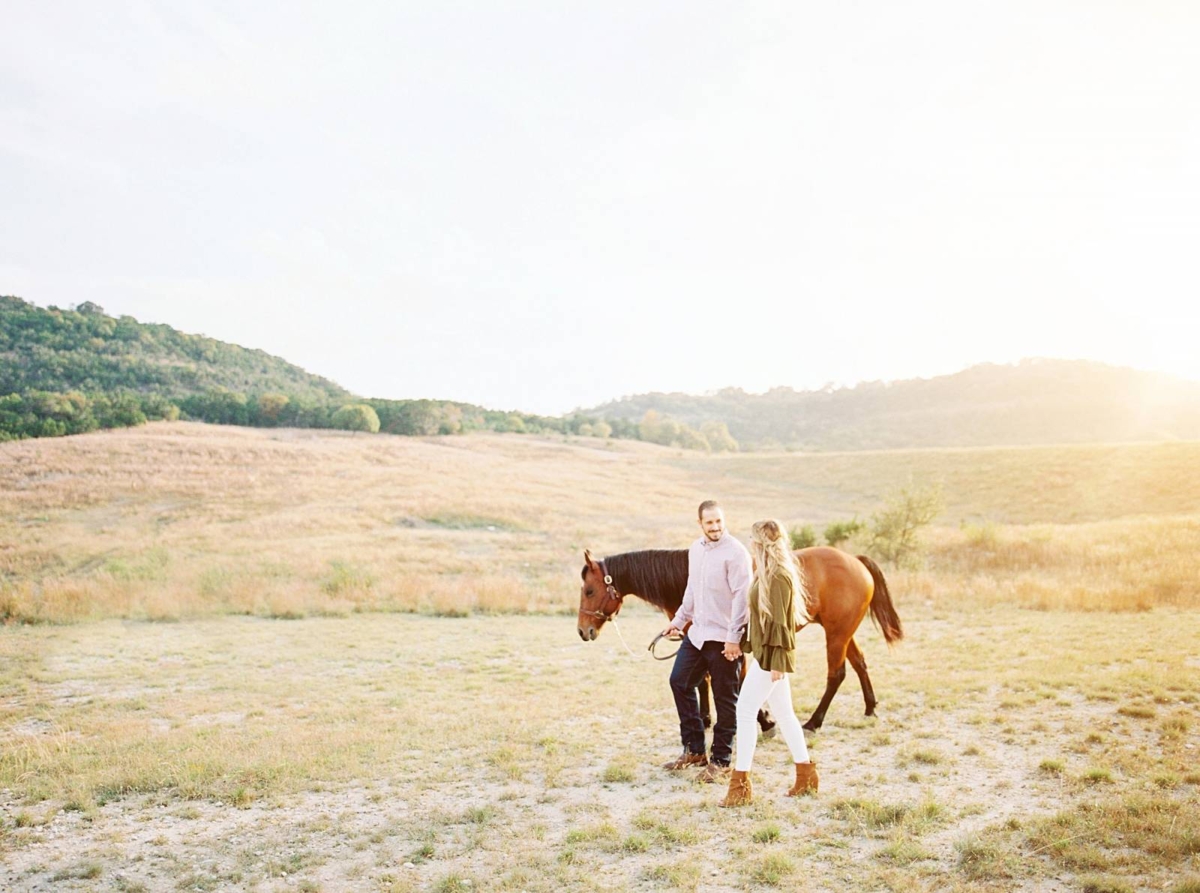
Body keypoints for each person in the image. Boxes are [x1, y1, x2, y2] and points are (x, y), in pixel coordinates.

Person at [719, 518, 818, 807]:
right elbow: (761, 622)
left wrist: (777, 663)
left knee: (745, 712)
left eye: (752, 539)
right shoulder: (765, 573)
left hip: (771, 659)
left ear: (760, 543)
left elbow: (781, 625)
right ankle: (806, 775)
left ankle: (740, 787)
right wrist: (742, 645)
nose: (749, 544)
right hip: (766, 655)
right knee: (784, 715)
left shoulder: (779, 577)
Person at [661, 499, 752, 783]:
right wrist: (678, 620)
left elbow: (743, 597)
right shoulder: (695, 549)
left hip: (724, 638)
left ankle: (722, 761)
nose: (715, 527)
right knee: (679, 682)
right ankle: (694, 750)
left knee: (725, 700)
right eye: (709, 522)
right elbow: (692, 589)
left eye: (719, 521)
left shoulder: (735, 553)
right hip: (698, 633)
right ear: (699, 523)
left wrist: (734, 638)